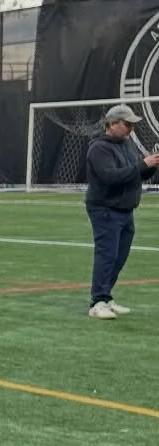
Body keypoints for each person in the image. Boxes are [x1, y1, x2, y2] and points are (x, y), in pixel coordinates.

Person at [84, 103, 159, 318]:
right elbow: (111, 177)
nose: (131, 129)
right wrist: (142, 165)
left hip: (125, 210)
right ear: (112, 124)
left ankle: (106, 297)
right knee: (107, 255)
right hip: (106, 209)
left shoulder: (127, 145)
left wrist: (150, 166)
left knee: (119, 257)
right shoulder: (99, 148)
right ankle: (98, 302)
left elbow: (134, 174)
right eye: (127, 124)